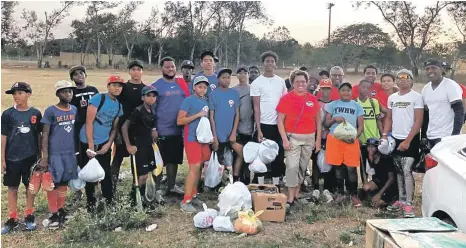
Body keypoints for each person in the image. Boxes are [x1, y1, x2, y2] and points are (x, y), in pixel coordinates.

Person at [1, 82, 42, 234]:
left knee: (29, 187)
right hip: (12, 158)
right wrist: (2, 159)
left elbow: (39, 136)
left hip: (30, 158)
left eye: (20, 93)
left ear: (28, 94)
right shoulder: (7, 114)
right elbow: (3, 137)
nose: (16, 96)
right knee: (12, 188)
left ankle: (29, 215)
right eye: (14, 93)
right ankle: (12, 218)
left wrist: (40, 157)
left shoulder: (35, 113)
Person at [276, 70, 321, 208]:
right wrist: (284, 139)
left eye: (303, 81)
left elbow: (318, 121)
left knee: (302, 166)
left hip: (309, 138)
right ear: (292, 83)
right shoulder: (286, 99)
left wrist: (317, 140)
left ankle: (296, 192)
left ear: (307, 83)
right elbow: (280, 121)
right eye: (297, 82)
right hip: (292, 137)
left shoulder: (312, 99)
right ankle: (290, 197)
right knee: (292, 166)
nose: (300, 84)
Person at [79, 76, 124, 212]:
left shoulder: (118, 106)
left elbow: (114, 128)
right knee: (90, 175)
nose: (117, 88)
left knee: (105, 173)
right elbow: (89, 122)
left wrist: (108, 144)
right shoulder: (99, 99)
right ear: (108, 86)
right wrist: (91, 146)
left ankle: (108, 202)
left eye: (119, 86)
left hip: (104, 142)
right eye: (114, 85)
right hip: (87, 141)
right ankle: (91, 205)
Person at [383, 69, 423, 218]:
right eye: (399, 77)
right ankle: (400, 200)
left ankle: (409, 204)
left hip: (410, 139)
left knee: (407, 170)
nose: (402, 79)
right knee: (398, 170)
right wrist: (385, 135)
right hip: (395, 138)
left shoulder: (416, 97)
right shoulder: (392, 97)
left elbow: (418, 121)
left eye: (406, 77)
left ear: (411, 81)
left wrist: (407, 141)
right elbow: (389, 118)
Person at [40, 80, 78, 229]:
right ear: (58, 94)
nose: (68, 94)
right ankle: (53, 213)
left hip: (70, 152)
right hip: (55, 153)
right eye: (64, 91)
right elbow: (45, 135)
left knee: (64, 182)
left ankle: (61, 209)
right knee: (53, 183)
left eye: (70, 91)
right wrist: (45, 156)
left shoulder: (74, 109)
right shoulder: (51, 111)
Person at [153, 57, 190, 196]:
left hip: (178, 129)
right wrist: (153, 128)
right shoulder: (156, 86)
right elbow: (151, 109)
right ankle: (157, 189)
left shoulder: (181, 83)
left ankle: (171, 186)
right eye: (167, 67)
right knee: (159, 160)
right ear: (162, 69)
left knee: (173, 160)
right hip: (162, 129)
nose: (170, 69)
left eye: (173, 67)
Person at [250, 51, 287, 186]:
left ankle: (276, 184)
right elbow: (256, 107)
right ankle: (260, 184)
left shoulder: (280, 82)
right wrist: (258, 129)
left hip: (278, 125)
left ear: (275, 64)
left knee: (278, 156)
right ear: (263, 64)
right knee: (261, 156)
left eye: (272, 61)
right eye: (267, 61)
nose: (270, 63)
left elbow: (284, 104)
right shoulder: (257, 83)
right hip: (264, 125)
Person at [324, 82, 364, 207]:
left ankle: (353, 194)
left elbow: (361, 126)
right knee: (338, 167)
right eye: (343, 90)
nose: (346, 92)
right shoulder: (332, 105)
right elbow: (326, 123)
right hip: (335, 139)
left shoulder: (357, 106)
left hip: (351, 140)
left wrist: (354, 137)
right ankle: (340, 192)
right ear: (339, 92)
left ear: (351, 92)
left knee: (351, 168)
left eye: (348, 90)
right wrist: (335, 119)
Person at [122, 86, 160, 208]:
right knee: (141, 176)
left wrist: (154, 130)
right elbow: (124, 127)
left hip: (149, 145)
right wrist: (129, 145)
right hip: (139, 147)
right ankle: (134, 200)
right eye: (148, 95)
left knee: (148, 173)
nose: (151, 98)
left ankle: (143, 199)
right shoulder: (138, 111)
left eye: (154, 96)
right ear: (143, 97)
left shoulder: (152, 110)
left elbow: (150, 125)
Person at [177, 76, 211, 213]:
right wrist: (197, 115)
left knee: (199, 167)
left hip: (203, 140)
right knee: (194, 167)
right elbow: (180, 121)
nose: (202, 89)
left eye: (204, 87)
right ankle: (185, 200)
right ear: (194, 88)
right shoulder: (188, 101)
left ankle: (194, 194)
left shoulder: (206, 101)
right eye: (199, 87)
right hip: (191, 139)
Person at [111, 60, 146, 189]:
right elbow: (116, 107)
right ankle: (111, 184)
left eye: (139, 69)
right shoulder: (123, 88)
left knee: (137, 158)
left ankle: (136, 185)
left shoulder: (145, 89)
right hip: (123, 127)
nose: (136, 72)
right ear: (129, 71)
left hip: (139, 129)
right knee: (118, 156)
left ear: (142, 71)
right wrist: (116, 131)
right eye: (133, 69)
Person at [421, 58, 464, 148]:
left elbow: (459, 112)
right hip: (431, 135)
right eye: (427, 69)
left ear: (441, 69)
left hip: (447, 136)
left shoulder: (451, 85)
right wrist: (424, 136)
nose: (430, 71)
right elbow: (426, 114)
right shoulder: (425, 89)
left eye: (433, 68)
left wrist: (454, 136)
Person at [209, 68, 243, 182]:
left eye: (228, 77)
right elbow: (211, 117)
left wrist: (233, 132)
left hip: (231, 134)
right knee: (220, 160)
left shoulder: (234, 93)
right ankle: (218, 182)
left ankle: (234, 178)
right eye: (224, 77)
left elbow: (237, 114)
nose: (226, 80)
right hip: (218, 134)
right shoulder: (213, 95)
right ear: (218, 79)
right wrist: (214, 137)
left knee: (236, 156)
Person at [311, 79, 337, 198]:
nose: (325, 91)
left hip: (330, 137)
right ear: (320, 89)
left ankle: (327, 187)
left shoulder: (334, 103)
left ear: (331, 89)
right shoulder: (315, 102)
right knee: (316, 161)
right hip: (317, 136)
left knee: (329, 161)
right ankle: (315, 186)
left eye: (327, 89)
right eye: (323, 89)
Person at [356, 79, 383, 184]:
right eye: (363, 87)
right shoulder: (354, 102)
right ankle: (365, 185)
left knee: (375, 163)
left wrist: (382, 135)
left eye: (368, 88)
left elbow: (378, 119)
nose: (365, 89)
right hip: (361, 138)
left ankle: (375, 185)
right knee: (363, 163)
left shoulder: (374, 102)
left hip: (374, 138)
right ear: (359, 87)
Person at [361, 138, 397, 209]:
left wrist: (379, 194)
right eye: (368, 146)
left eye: (372, 146)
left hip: (389, 185)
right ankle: (375, 196)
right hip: (379, 181)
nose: (370, 148)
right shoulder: (369, 157)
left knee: (376, 205)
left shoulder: (386, 158)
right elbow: (364, 171)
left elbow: (391, 179)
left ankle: (391, 199)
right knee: (366, 187)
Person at [234, 65, 254, 183]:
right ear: (237, 75)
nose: (242, 75)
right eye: (240, 72)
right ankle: (236, 179)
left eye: (244, 72)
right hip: (238, 129)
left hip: (250, 128)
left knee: (249, 155)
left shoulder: (253, 88)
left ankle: (247, 178)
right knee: (238, 155)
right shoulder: (234, 90)